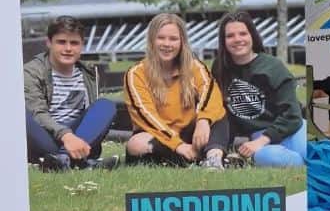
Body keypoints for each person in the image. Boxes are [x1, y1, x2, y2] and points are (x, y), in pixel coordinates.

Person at [124, 13, 228, 168]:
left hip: (191, 133)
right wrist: (178, 145)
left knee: (217, 112)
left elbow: (211, 95)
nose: (167, 44)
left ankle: (214, 159)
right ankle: (194, 159)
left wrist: (203, 120)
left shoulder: (195, 66)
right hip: (160, 136)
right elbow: (146, 116)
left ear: (182, 42)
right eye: (161, 38)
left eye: (173, 39)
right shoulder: (136, 74)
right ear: (151, 40)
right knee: (136, 144)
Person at [24, 16, 118, 171]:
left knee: (105, 105)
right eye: (61, 42)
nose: (68, 48)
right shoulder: (32, 71)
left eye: (74, 43)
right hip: (46, 136)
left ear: (82, 45)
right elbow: (38, 113)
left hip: (80, 137)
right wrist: (66, 136)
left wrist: (75, 139)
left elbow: (91, 115)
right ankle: (79, 162)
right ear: (49, 43)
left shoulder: (88, 72)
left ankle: (62, 159)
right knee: (19, 113)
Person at [212, 11, 306, 167]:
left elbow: (292, 115)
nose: (237, 40)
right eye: (230, 36)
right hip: (258, 134)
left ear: (252, 36)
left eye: (243, 33)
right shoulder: (220, 69)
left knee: (307, 153)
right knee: (271, 158)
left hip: (291, 128)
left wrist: (262, 141)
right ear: (223, 41)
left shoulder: (272, 66)